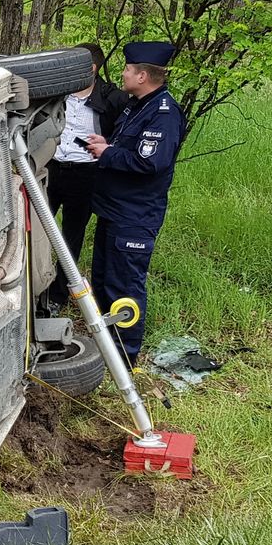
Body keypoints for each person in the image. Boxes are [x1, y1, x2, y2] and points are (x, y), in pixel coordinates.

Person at [81, 41, 185, 366]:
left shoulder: (164, 113)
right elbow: (131, 146)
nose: (123, 74)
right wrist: (107, 144)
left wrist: (108, 154)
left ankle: (125, 358)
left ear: (142, 75)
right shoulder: (136, 104)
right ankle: (106, 348)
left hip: (135, 216)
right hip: (114, 210)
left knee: (123, 287)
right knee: (102, 280)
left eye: (128, 69)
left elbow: (149, 163)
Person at [45, 43, 129, 308]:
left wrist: (108, 147)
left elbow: (123, 134)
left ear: (91, 69)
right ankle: (33, 286)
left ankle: (58, 295)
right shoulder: (58, 91)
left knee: (71, 236)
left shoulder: (112, 97)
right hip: (51, 168)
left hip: (85, 174)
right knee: (36, 229)